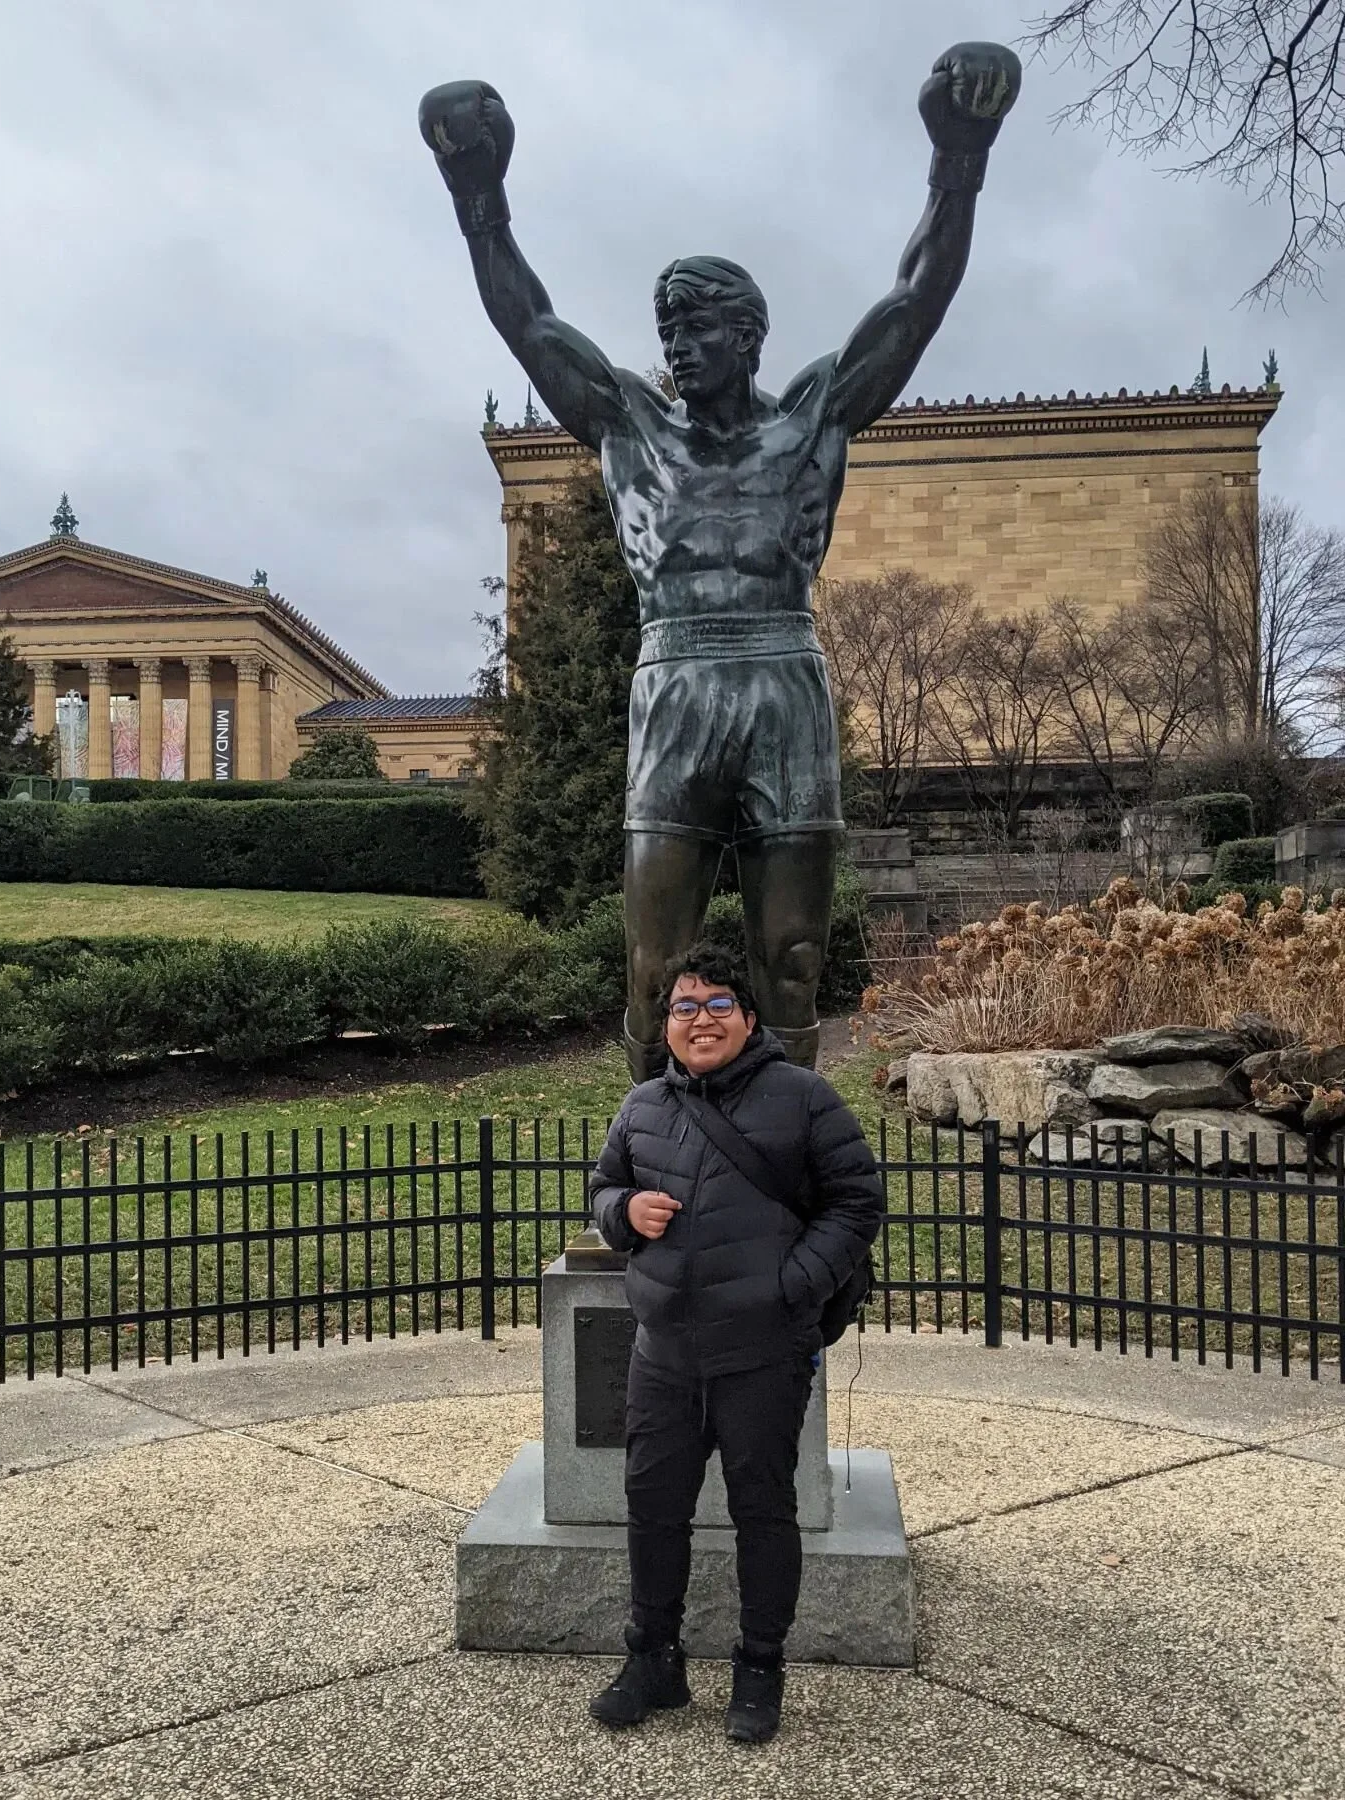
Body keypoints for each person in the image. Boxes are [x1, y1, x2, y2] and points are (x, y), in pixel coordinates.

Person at [418, 46, 1020, 1079]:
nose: (676, 348)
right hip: (676, 685)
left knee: (791, 961)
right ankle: (657, 1156)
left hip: (785, 683)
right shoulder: (629, 427)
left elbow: (915, 301)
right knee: (654, 971)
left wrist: (957, 161)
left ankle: (779, 1158)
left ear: (748, 337)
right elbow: (530, 323)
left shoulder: (813, 421)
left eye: (695, 330)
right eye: (667, 332)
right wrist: (480, 195)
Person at [585, 942, 884, 1743]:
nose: (700, 1018)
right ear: (667, 1025)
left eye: (718, 1003)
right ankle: (653, 1659)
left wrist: (791, 1287)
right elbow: (604, 1187)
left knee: (763, 1512)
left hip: (762, 1353)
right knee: (652, 1511)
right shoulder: (643, 1106)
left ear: (749, 1020)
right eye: (685, 1006)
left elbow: (857, 1201)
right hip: (664, 1355)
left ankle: (759, 1668)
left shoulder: (803, 1097)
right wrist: (623, 1216)